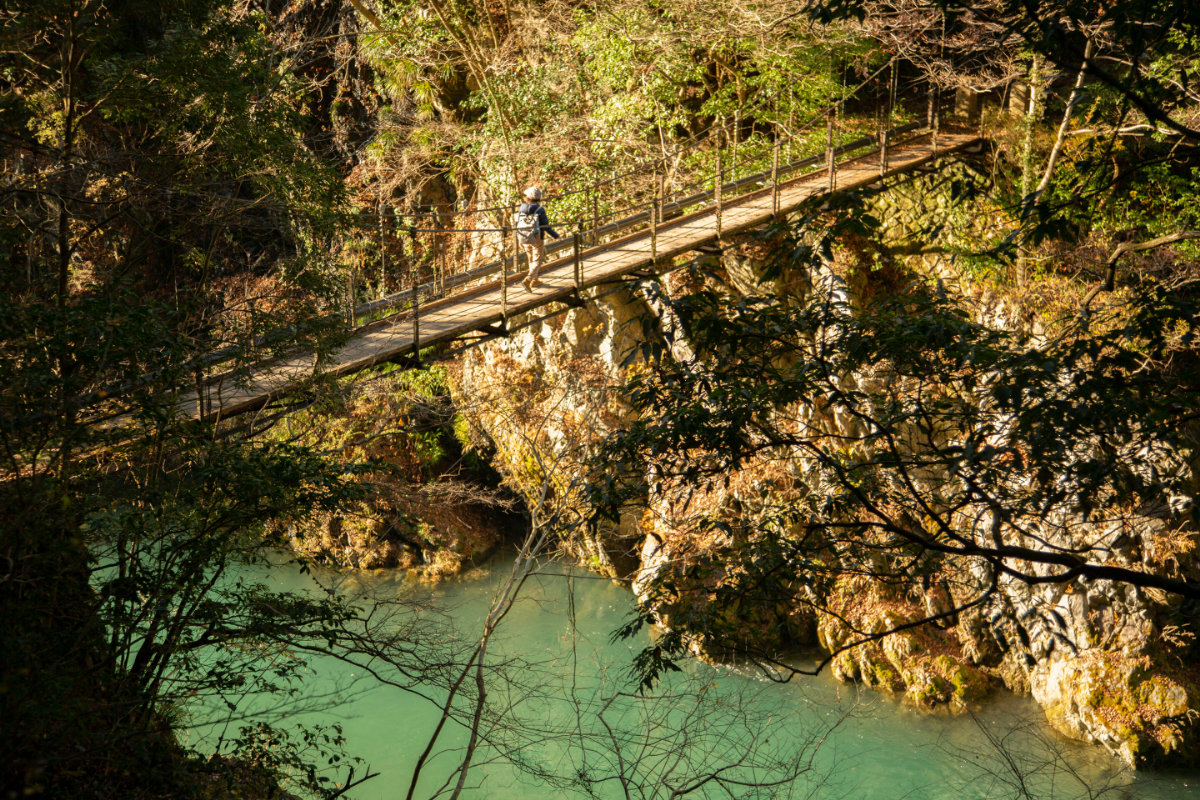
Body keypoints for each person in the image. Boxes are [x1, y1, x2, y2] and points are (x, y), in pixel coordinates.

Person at [514, 186, 560, 292]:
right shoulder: (540, 210)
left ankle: (534, 280)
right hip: (536, 238)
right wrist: (556, 236)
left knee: (531, 259)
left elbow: (517, 223)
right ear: (538, 198)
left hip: (524, 236)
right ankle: (528, 279)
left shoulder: (522, 207)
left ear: (527, 197)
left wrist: (519, 239)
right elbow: (546, 226)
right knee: (537, 261)